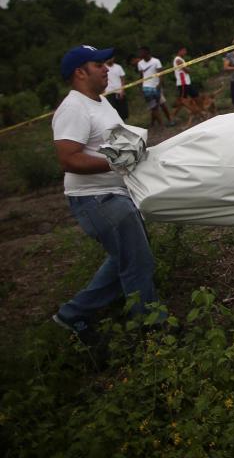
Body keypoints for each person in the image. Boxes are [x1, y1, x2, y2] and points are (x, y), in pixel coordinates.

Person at [52, 45, 161, 345]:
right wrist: (117, 162)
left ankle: (73, 314)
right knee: (138, 264)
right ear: (80, 72)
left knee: (124, 259)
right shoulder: (74, 108)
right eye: (98, 64)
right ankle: (152, 329)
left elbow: (112, 143)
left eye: (106, 63)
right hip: (96, 199)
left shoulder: (100, 103)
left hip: (114, 193)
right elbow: (68, 158)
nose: (106, 68)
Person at [137, 47, 175, 127]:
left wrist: (160, 84)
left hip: (156, 87)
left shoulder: (156, 61)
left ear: (147, 52)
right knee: (153, 107)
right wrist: (141, 88)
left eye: (141, 52)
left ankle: (170, 120)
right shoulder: (140, 63)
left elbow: (161, 74)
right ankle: (161, 125)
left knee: (162, 105)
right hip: (146, 88)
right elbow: (141, 76)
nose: (140, 54)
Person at [104, 55, 128, 121]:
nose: (109, 59)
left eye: (111, 57)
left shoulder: (118, 67)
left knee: (123, 111)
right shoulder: (103, 67)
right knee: (112, 111)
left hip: (119, 92)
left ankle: (124, 125)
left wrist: (122, 90)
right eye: (108, 58)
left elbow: (122, 79)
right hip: (108, 93)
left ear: (113, 58)